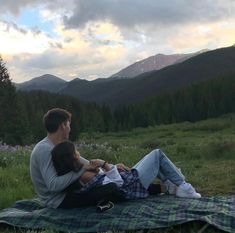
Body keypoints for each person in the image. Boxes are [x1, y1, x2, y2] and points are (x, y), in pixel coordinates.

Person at [30, 108, 201, 209]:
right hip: (59, 200)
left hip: (76, 189)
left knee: (117, 178)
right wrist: (86, 169)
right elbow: (52, 185)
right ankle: (178, 185)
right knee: (115, 186)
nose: (70, 128)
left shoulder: (61, 146)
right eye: (69, 124)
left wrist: (109, 165)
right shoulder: (44, 150)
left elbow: (88, 164)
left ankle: (171, 186)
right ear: (63, 125)